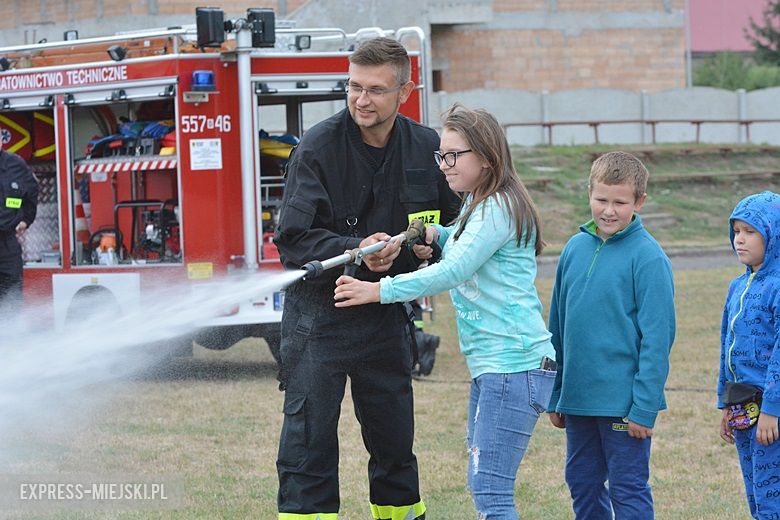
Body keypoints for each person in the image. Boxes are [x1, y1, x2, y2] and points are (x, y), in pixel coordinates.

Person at [334, 103, 557, 520]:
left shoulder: (498, 207)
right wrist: (436, 234)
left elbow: (453, 271)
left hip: (513, 367)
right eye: (442, 155)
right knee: (484, 485)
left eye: (454, 156)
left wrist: (378, 290)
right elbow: (462, 239)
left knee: (491, 491)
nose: (443, 166)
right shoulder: (479, 203)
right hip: (497, 368)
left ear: (486, 158)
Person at [273, 36, 460, 520]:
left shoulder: (428, 148)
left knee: (394, 441)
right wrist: (356, 251)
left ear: (405, 91)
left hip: (386, 314)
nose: (361, 99)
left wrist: (429, 243)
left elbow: (457, 223)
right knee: (308, 445)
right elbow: (292, 239)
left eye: (376, 89)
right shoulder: (317, 147)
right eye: (354, 86)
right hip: (320, 317)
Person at [546, 151, 675, 520]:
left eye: (620, 202)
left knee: (627, 488)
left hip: (624, 406)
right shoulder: (573, 248)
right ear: (589, 193)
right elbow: (557, 327)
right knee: (581, 482)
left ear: (639, 202)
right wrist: (555, 393)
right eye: (601, 199)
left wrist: (644, 408)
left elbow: (657, 341)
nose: (608, 210)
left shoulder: (649, 258)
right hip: (578, 401)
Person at [717, 191, 780, 520]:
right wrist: (725, 403)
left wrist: (772, 410)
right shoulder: (736, 286)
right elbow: (725, 345)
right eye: (736, 231)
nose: (739, 239)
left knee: (773, 500)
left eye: (750, 232)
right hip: (742, 405)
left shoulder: (777, 286)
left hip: (770, 412)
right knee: (755, 493)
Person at [0, 140, 37, 315]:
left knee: (12, 294)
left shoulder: (16, 164)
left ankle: (11, 329)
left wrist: (26, 219)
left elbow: (32, 191)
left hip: (7, 242)